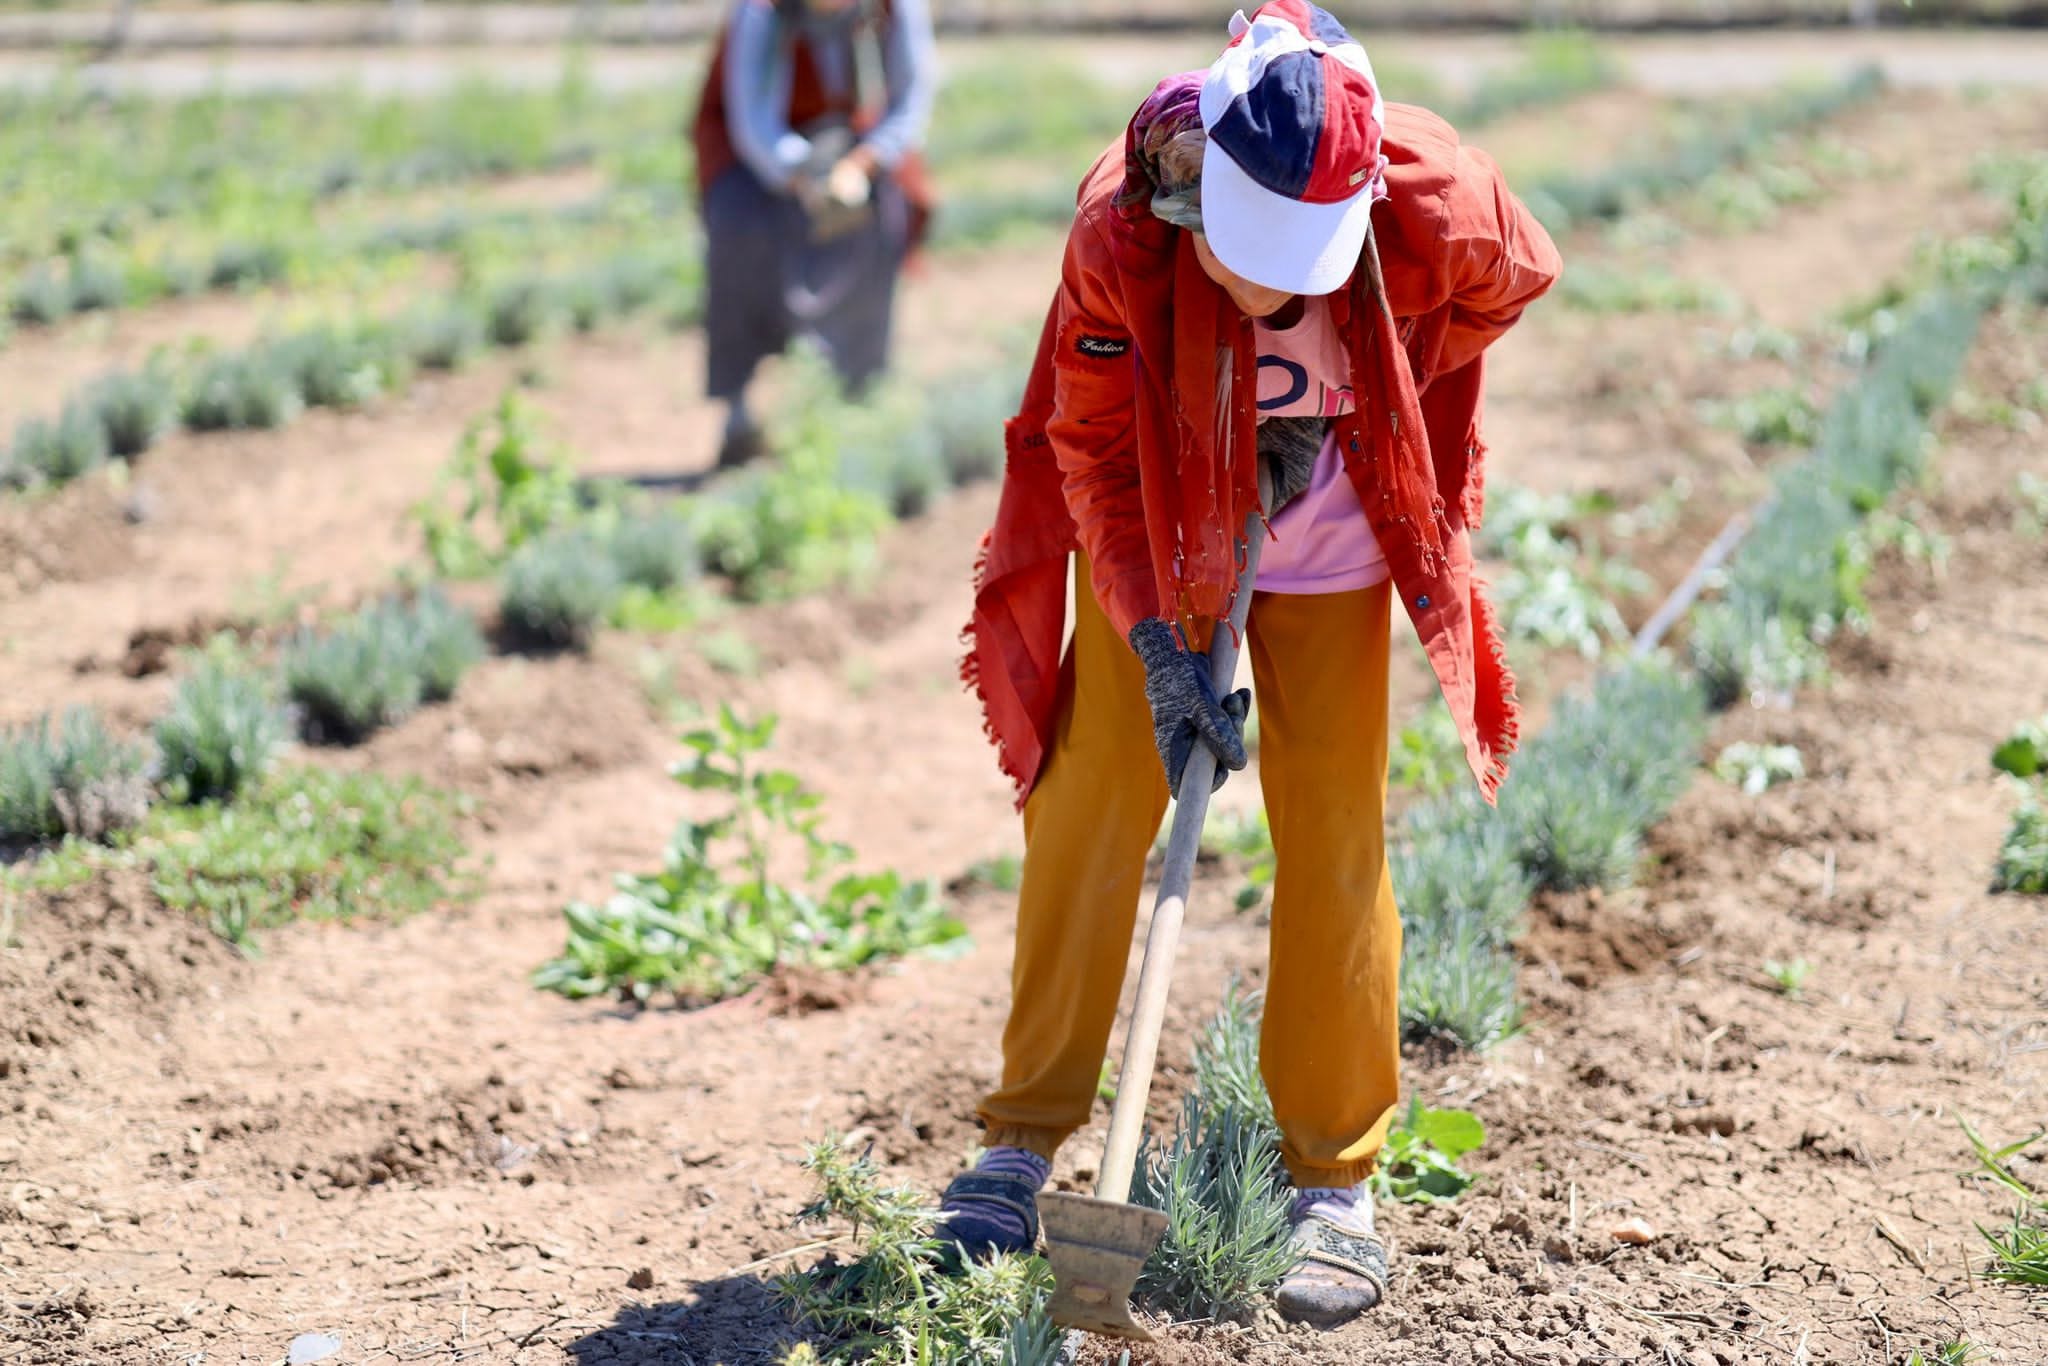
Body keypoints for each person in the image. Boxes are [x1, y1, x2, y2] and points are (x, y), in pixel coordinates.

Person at [949, 1, 1561, 1329]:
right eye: (1241, 251)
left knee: (1336, 834)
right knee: (1093, 803)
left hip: (1334, 548)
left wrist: (1364, 396)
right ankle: (1021, 1139)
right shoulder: (1123, 224)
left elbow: (1520, 272)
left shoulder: (1431, 195)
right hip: (1168, 533)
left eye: (1297, 261)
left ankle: (1333, 1180)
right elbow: (1096, 450)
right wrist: (1161, 640)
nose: (1265, 287)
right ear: (1201, 184)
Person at [691, 0, 937, 467]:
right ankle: (738, 409)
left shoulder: (896, 8)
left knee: (887, 214)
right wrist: (803, 177)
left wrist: (861, 165)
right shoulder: (759, 11)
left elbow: (910, 101)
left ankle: (858, 390)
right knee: (738, 226)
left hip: (851, 144)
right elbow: (754, 121)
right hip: (759, 152)